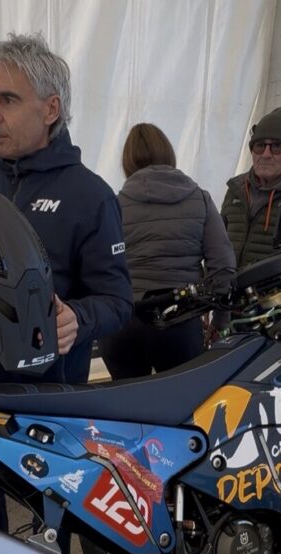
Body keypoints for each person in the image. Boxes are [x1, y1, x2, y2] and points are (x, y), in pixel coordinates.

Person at [0, 32, 133, 533]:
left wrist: (79, 317)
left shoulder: (91, 196)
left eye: (8, 99)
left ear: (51, 109)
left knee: (53, 518)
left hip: (51, 401)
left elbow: (118, 299)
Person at [99, 123, 235, 379]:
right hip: (179, 324)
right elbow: (223, 266)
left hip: (122, 324)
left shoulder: (113, 205)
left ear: (127, 161)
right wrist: (221, 320)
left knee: (127, 409)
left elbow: (98, 268)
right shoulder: (200, 199)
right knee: (183, 406)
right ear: (168, 153)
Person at [221, 105, 281, 267]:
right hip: (228, 289)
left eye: (276, 146)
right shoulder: (235, 190)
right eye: (259, 145)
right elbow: (216, 244)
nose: (266, 154)